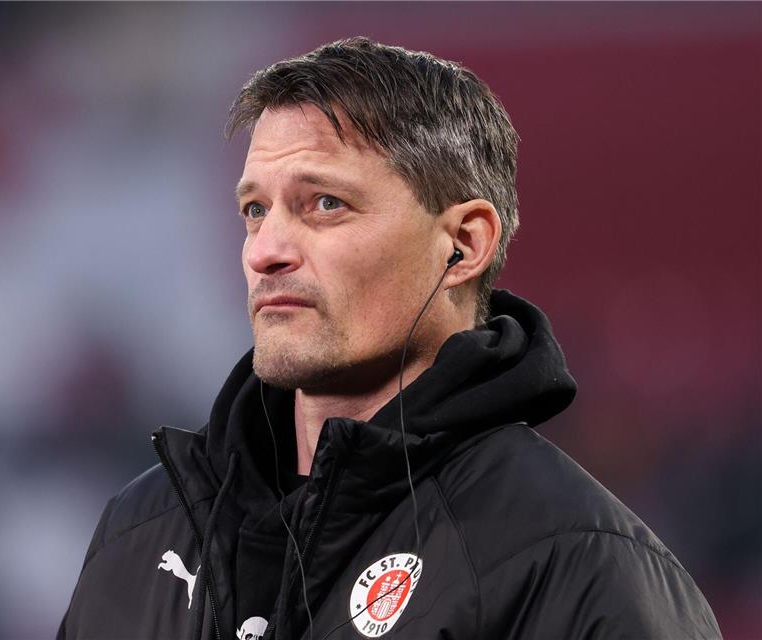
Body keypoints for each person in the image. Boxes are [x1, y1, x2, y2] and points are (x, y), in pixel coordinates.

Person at [58, 37, 720, 640]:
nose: (265, 251)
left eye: (325, 203)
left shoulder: (577, 565)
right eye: (255, 210)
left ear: (463, 246)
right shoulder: (137, 533)